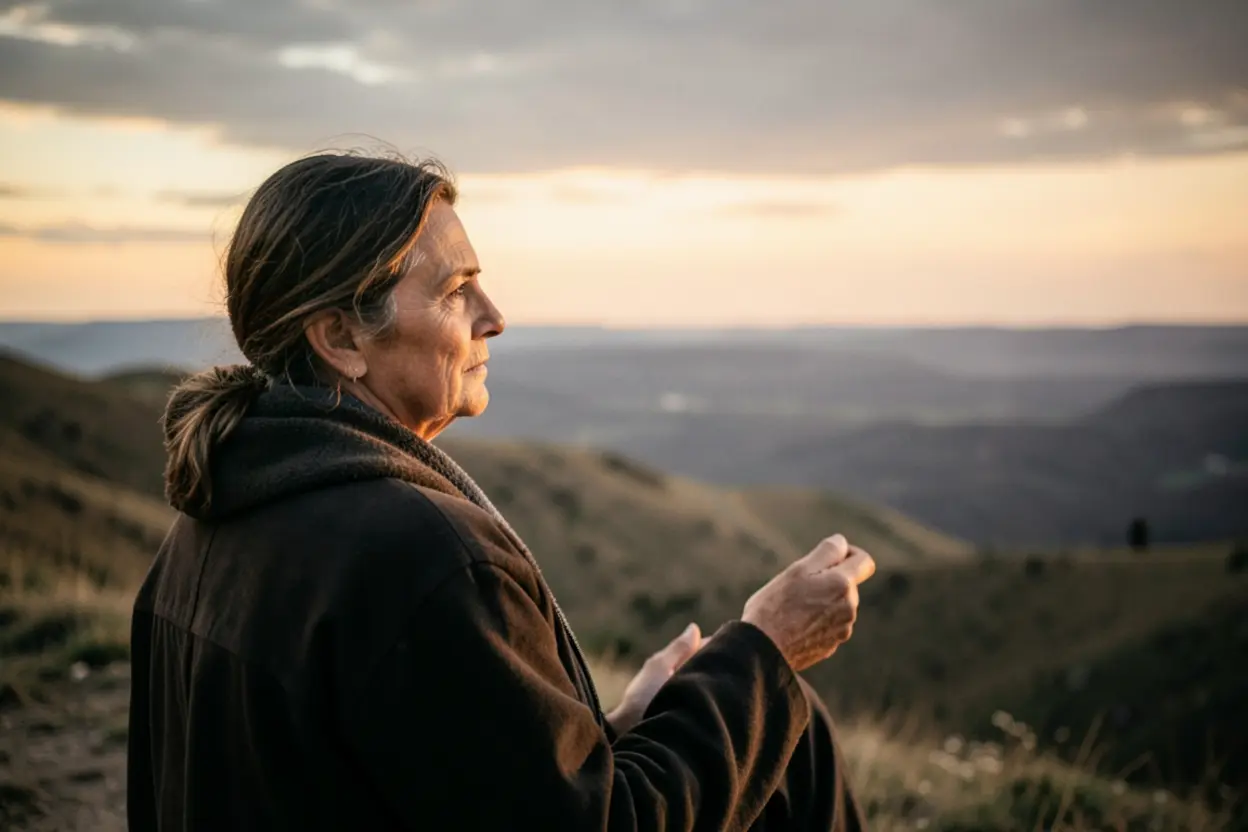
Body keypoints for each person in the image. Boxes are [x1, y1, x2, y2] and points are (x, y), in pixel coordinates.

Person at [127, 151, 877, 831]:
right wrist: (768, 646)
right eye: (458, 291)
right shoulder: (425, 558)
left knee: (779, 728)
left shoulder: (203, 532)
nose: (496, 318)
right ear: (342, 339)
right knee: (789, 732)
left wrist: (608, 730)